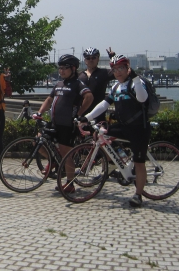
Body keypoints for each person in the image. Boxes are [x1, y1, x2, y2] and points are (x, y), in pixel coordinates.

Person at [82, 54, 150, 208]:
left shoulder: (135, 83)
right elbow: (104, 104)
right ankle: (118, 161)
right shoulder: (116, 87)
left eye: (121, 68)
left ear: (127, 68)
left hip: (139, 128)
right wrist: (86, 117)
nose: (118, 72)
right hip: (123, 126)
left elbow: (142, 98)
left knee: (139, 163)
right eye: (114, 69)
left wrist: (136, 79)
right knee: (100, 134)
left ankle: (138, 195)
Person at [36, 54, 93, 192]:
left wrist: (79, 113)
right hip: (54, 123)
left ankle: (70, 184)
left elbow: (89, 97)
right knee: (38, 141)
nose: (61, 71)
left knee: (66, 154)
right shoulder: (59, 84)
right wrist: (39, 112)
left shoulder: (78, 84)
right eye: (60, 68)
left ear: (73, 69)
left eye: (64, 68)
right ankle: (54, 161)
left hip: (68, 125)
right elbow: (49, 100)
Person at [78, 47, 116, 122]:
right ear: (85, 60)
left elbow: (121, 71)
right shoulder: (79, 75)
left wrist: (113, 57)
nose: (91, 60)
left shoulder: (104, 73)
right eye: (88, 58)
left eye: (93, 57)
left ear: (98, 59)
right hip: (81, 114)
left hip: (99, 115)